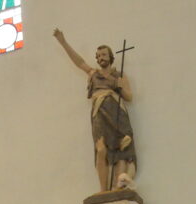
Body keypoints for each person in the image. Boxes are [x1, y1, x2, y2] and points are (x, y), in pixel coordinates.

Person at [52, 28, 136, 191]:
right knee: (101, 149)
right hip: (99, 113)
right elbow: (79, 61)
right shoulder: (93, 74)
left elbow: (129, 96)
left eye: (103, 55)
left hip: (117, 113)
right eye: (98, 56)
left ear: (110, 57)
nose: (100, 58)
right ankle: (103, 190)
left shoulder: (119, 76)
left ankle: (119, 188)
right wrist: (63, 42)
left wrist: (121, 88)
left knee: (121, 148)